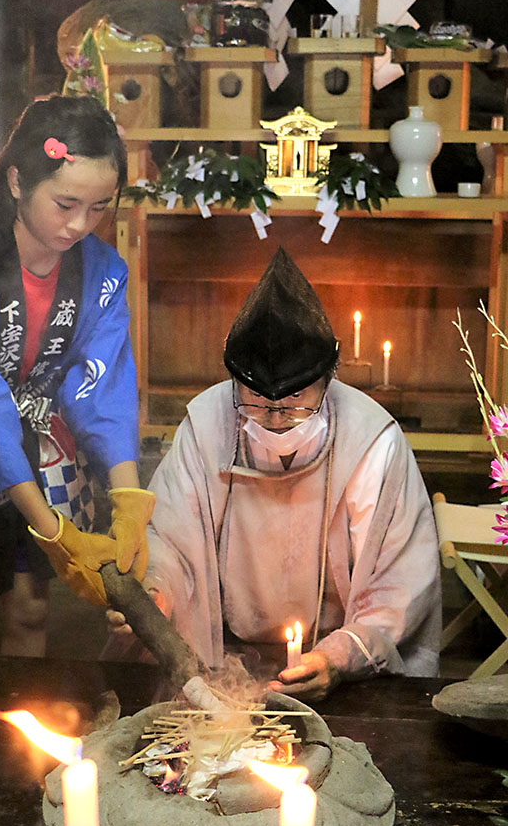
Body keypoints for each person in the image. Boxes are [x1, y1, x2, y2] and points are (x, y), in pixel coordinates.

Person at [107, 248, 441, 700]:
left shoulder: (371, 442)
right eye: (257, 400)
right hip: (222, 655)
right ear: (233, 383)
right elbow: (171, 542)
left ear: (330, 378)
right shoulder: (208, 425)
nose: (276, 417)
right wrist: (154, 594)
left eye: (296, 398)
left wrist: (338, 659)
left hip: (333, 660)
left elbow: (398, 583)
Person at [0, 94, 155, 659]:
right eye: (66, 203)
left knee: (31, 609)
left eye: (99, 208)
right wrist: (53, 531)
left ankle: (31, 738)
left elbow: (105, 383)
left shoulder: (103, 270)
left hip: (43, 440)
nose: (80, 224)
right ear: (17, 181)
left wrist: (130, 497)